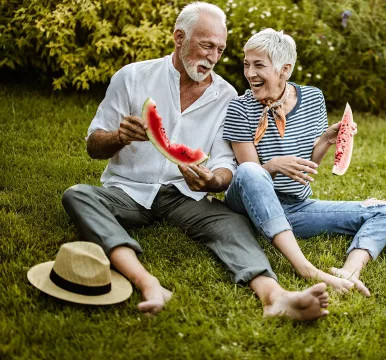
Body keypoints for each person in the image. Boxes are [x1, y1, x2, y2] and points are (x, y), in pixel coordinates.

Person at [62, 3, 329, 320]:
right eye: (206, 46)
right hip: (127, 190)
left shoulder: (227, 97)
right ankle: (146, 281)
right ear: (179, 37)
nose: (213, 57)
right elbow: (94, 144)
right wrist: (119, 137)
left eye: (220, 49)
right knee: (77, 194)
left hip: (183, 196)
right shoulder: (132, 77)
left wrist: (212, 181)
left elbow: (226, 167)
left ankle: (274, 296)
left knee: (231, 222)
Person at [223, 28, 386, 297]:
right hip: (245, 208)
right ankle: (306, 268)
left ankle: (350, 270)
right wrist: (274, 165)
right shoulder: (239, 108)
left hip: (294, 208)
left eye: (259, 65)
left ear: (284, 70)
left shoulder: (313, 98)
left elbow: (306, 166)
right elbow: (249, 175)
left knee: (383, 211)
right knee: (249, 171)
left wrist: (327, 140)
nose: (249, 73)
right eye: (247, 64)